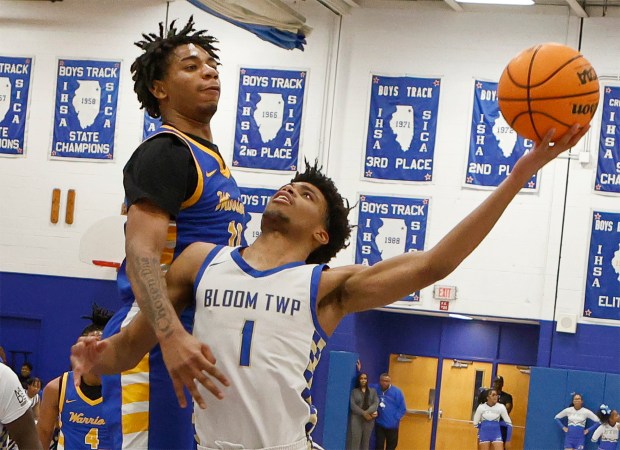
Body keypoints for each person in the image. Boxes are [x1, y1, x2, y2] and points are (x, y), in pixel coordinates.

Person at [72, 125, 589, 449]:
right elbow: (131, 347)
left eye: (307, 194)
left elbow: (435, 264)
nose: (290, 188)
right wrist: (98, 358)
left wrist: (520, 175)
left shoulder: (326, 286)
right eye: (291, 184)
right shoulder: (200, 261)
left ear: (321, 234)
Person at [101, 15, 247, 449]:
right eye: (190, 66)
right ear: (160, 89)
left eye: (210, 65)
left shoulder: (213, 164)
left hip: (193, 345)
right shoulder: (166, 152)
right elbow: (142, 254)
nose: (208, 70)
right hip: (155, 344)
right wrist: (170, 335)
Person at [37, 304, 114, 449]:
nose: (95, 353)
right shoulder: (57, 388)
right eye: (90, 347)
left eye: (100, 347)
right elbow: (43, 433)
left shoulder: (123, 388)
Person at [0, 363, 43, 449]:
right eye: (34, 386)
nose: (36, 388)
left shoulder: (5, 377)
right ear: (28, 386)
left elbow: (36, 416)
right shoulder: (22, 392)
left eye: (38, 387)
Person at [374, 373, 406, 450]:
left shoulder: (397, 392)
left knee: (391, 446)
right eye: (383, 380)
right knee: (379, 445)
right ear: (380, 381)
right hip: (379, 424)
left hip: (392, 425)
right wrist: (359, 371)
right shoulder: (376, 388)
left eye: (387, 381)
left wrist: (395, 418)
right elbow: (364, 383)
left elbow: (402, 408)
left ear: (390, 382)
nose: (385, 382)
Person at [348, 372, 378, 450]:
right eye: (361, 378)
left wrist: (367, 413)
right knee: (355, 440)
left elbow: (375, 403)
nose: (363, 380)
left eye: (365, 378)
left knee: (366, 441)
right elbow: (352, 405)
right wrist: (364, 413)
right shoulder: (354, 392)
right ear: (359, 380)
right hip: (356, 419)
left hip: (369, 420)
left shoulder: (373, 391)